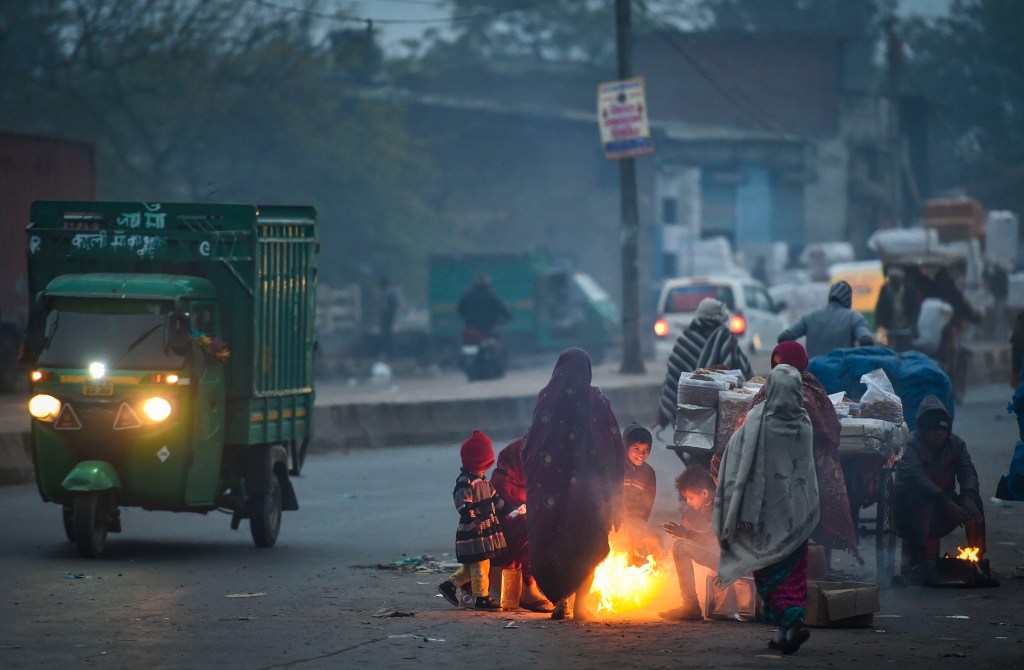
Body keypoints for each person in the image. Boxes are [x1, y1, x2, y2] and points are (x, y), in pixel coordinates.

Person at [713, 364, 819, 655]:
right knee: (794, 574)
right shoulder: (804, 423)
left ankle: (787, 628)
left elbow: (735, 453)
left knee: (768, 572)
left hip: (760, 518)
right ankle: (784, 634)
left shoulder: (757, 420)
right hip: (796, 515)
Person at [727, 342, 861, 561]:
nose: (781, 372)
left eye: (785, 366)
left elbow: (828, 429)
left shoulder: (809, 390)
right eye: (777, 367)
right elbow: (744, 425)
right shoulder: (767, 390)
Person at [522, 348, 625, 620]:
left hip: (553, 493)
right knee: (586, 543)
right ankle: (580, 606)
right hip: (587, 494)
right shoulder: (596, 402)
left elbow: (532, 446)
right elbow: (613, 447)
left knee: (557, 542)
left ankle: (561, 603)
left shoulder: (547, 400)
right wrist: (613, 493)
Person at [895, 395, 992, 585]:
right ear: (923, 430)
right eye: (933, 429)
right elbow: (917, 479)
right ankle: (917, 562)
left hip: (944, 508)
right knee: (920, 500)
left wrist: (969, 497)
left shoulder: (957, 445)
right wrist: (945, 501)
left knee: (975, 504)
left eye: (942, 429)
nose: (938, 433)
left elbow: (968, 473)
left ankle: (977, 559)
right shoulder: (911, 445)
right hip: (911, 511)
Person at [438, 430, 517, 611]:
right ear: (483, 460)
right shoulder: (465, 481)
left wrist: (511, 511)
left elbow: (496, 500)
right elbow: (463, 504)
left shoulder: (483, 480)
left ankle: (449, 585)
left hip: (485, 529)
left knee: (474, 565)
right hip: (475, 530)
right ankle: (481, 598)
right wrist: (473, 521)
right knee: (480, 565)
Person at [657, 297, 754, 428]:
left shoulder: (685, 339)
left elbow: (673, 380)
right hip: (722, 409)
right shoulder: (724, 337)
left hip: (690, 411)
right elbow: (740, 371)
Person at [490, 435, 555, 612]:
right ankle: (525, 589)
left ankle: (532, 587)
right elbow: (509, 514)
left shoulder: (533, 481)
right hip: (498, 539)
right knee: (528, 529)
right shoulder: (502, 482)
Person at [660, 465, 718, 622]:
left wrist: (687, 534)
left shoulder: (720, 505)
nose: (688, 501)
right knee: (682, 544)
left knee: (680, 547)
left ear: (704, 493)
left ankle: (690, 606)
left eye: (691, 498)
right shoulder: (703, 508)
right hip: (729, 559)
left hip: (734, 562)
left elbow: (715, 539)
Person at [777, 280, 874, 360]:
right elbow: (866, 340)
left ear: (830, 297)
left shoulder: (810, 317)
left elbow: (784, 337)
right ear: (849, 300)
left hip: (814, 374)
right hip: (842, 373)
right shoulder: (854, 317)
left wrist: (799, 360)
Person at [613, 423, 663, 564]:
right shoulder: (614, 467)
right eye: (637, 449)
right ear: (625, 447)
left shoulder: (648, 473)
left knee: (654, 543)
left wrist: (638, 528)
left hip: (633, 522)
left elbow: (646, 507)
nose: (642, 454)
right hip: (610, 522)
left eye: (646, 449)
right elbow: (605, 498)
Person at [875, 267, 920, 352]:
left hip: (907, 328)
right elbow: (880, 309)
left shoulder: (910, 290)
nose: (893, 282)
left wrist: (913, 326)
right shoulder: (885, 290)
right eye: (891, 279)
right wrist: (879, 325)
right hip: (890, 327)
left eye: (895, 279)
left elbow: (915, 310)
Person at [457, 273, 512, 341]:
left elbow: (460, 310)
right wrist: (506, 318)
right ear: (488, 284)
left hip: (470, 329)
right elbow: (503, 310)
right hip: (487, 329)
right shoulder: (491, 296)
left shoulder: (467, 296)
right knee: (497, 345)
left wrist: (468, 320)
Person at [376, 277, 399, 359]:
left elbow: (394, 305)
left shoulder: (390, 294)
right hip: (384, 318)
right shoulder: (384, 295)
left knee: (388, 336)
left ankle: (391, 354)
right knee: (385, 335)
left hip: (389, 318)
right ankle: (387, 353)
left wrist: (388, 310)